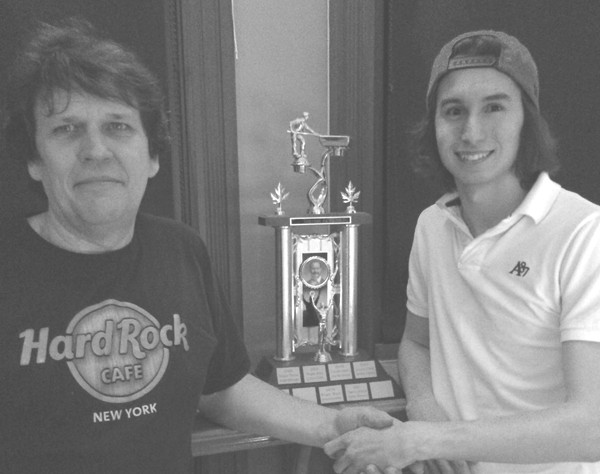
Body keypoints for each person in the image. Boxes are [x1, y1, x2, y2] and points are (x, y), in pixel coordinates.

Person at [0, 18, 395, 473]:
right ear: (34, 159)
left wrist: (332, 426)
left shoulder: (180, 251)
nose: (96, 150)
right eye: (67, 129)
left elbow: (222, 389)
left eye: (118, 126)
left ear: (152, 156)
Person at [324, 30, 600, 474]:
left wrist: (423, 439)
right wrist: (425, 411)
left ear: (527, 120)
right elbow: (416, 342)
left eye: (494, 107)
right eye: (453, 111)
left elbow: (591, 427)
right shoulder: (432, 225)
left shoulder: (584, 233)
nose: (471, 132)